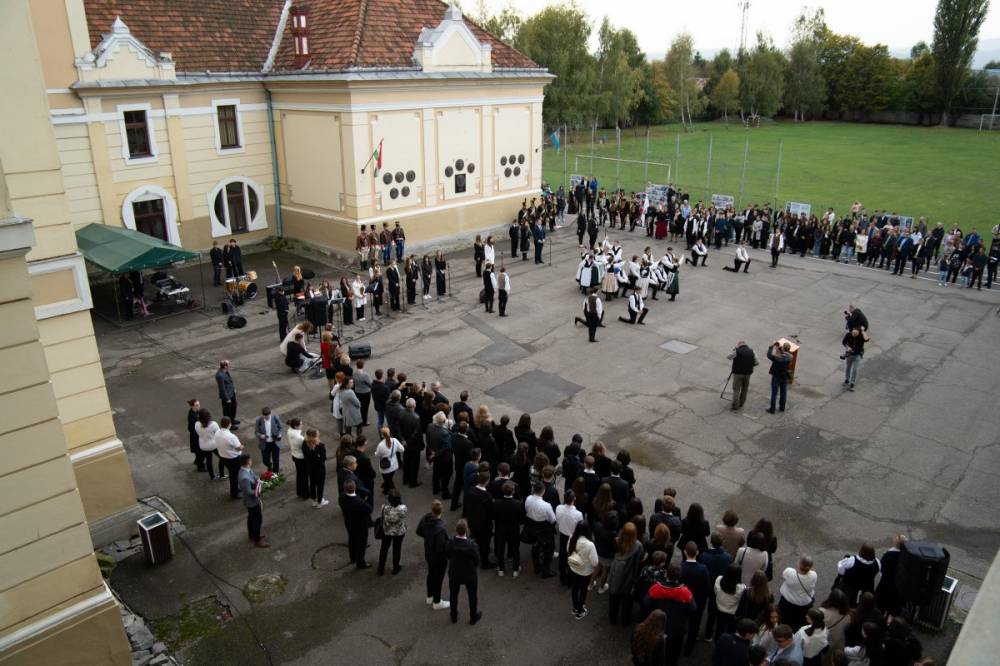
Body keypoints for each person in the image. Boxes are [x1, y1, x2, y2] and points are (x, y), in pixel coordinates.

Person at [644, 564, 697, 666]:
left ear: (666, 574)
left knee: (655, 652)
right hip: (677, 629)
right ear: (679, 576)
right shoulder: (685, 592)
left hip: (657, 626)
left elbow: (645, 602)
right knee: (673, 653)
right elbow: (693, 608)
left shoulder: (656, 588)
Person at [446, 519, 482, 624]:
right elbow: (477, 561)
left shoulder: (450, 543)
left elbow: (448, 555)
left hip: (454, 573)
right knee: (472, 596)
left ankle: (453, 616)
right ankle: (473, 617)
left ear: (456, 530)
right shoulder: (472, 546)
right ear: (466, 530)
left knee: (453, 595)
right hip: (469, 574)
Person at [417, 500, 451, 610]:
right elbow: (443, 547)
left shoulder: (425, 518)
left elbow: (418, 531)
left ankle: (429, 596)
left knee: (431, 574)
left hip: (428, 552)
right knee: (438, 578)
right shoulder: (440, 528)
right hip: (438, 557)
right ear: (441, 511)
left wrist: (428, 537)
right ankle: (437, 602)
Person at [608, 522, 645, 626]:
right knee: (627, 602)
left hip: (616, 574)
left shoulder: (617, 541)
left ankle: (613, 619)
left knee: (614, 600)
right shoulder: (638, 546)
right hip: (629, 576)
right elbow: (639, 560)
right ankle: (625, 621)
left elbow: (612, 554)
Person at [567, 520, 599, 619]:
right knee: (583, 590)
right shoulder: (590, 544)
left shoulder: (572, 537)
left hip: (573, 567)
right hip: (585, 572)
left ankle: (575, 608)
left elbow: (567, 550)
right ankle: (580, 610)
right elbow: (595, 562)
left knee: (575, 588)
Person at [525, 480, 557, 577]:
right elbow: (553, 520)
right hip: (543, 529)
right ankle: (546, 571)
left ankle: (537, 567)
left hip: (531, 526)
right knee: (549, 549)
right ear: (543, 491)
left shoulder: (528, 498)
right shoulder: (546, 505)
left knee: (535, 547)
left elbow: (526, 510)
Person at [463, 470, 495, 568]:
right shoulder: (487, 496)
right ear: (487, 481)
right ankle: (484, 562)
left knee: (475, 539)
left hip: (472, 521)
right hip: (484, 524)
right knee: (485, 543)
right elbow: (491, 512)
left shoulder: (470, 491)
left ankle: (473, 556)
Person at [494, 480, 525, 577]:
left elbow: (494, 516)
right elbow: (521, 518)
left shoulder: (497, 503)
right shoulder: (518, 504)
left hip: (500, 529)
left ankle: (501, 569)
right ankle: (515, 569)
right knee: (515, 549)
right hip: (513, 529)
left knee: (500, 549)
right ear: (513, 491)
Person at [238, 454, 269, 548]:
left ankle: (252, 535)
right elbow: (248, 491)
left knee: (251, 518)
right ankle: (257, 540)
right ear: (248, 462)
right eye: (250, 460)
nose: (251, 462)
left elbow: (255, 477)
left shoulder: (246, 470)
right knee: (257, 520)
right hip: (252, 502)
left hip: (253, 501)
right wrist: (260, 490)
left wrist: (262, 482)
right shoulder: (244, 477)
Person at [340, 479, 372, 569]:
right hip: (360, 525)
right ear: (354, 488)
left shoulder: (342, 496)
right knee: (361, 543)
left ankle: (353, 557)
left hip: (349, 523)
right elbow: (369, 509)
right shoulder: (359, 502)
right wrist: (365, 500)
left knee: (352, 539)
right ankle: (360, 562)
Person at [779, 556, 817, 631]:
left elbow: (783, 576)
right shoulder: (814, 575)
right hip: (804, 604)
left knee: (785, 620)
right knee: (799, 623)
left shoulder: (789, 572)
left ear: (799, 564)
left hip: (787, 603)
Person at [875, 534, 907, 620]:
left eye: (897, 537)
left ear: (897, 542)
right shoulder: (905, 556)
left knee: (880, 604)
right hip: (897, 586)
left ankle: (878, 620)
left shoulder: (889, 555)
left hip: (886, 584)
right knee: (893, 607)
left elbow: (881, 568)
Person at [377, 489, 407, 576]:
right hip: (398, 532)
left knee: (384, 549)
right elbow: (403, 515)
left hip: (386, 531)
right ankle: (396, 567)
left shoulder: (384, 508)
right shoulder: (402, 509)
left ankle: (380, 568)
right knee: (396, 549)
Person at [215, 417, 243, 499]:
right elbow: (239, 447)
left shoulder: (217, 433)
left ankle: (236, 490)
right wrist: (242, 446)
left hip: (223, 457)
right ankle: (234, 493)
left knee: (232, 474)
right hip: (233, 458)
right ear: (229, 424)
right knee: (234, 475)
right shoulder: (231, 436)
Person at [426, 412, 453, 499]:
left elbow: (428, 439)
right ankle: (445, 492)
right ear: (444, 421)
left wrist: (432, 451)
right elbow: (447, 447)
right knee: (446, 474)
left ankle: (436, 489)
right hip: (444, 458)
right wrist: (436, 453)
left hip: (434, 454)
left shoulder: (430, 426)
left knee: (436, 472)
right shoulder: (444, 433)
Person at [727, 341, 758, 412]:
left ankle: (735, 405)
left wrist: (734, 350)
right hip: (747, 373)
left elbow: (729, 357)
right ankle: (741, 403)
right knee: (745, 388)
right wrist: (749, 365)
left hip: (738, 373)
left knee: (736, 389)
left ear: (739, 345)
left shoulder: (737, 351)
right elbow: (757, 362)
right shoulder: (752, 351)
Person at [302, 428, 328, 508]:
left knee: (312, 484)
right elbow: (324, 458)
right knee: (320, 485)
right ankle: (320, 502)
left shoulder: (304, 443)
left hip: (310, 468)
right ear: (315, 436)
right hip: (319, 469)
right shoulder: (320, 445)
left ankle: (314, 500)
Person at [375, 426, 404, 494]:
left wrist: (376, 452)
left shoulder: (380, 445)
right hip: (394, 465)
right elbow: (402, 449)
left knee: (388, 480)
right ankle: (385, 489)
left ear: (382, 435)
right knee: (389, 479)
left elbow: (377, 455)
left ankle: (393, 492)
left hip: (385, 466)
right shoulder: (395, 441)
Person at [766, 341, 793, 414]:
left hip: (776, 375)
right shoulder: (790, 357)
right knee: (783, 392)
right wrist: (781, 350)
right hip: (784, 375)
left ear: (783, 348)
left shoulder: (778, 357)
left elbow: (769, 355)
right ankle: (782, 407)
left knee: (774, 392)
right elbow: (784, 356)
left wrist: (771, 347)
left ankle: (772, 409)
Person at [254, 407, 283, 473]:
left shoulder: (275, 418)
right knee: (265, 461)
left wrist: (279, 434)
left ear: (270, 414)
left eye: (268, 416)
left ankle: (275, 474)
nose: (267, 418)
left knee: (276, 461)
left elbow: (281, 428)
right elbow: (256, 432)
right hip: (265, 444)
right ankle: (269, 466)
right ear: (262, 415)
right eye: (265, 416)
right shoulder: (259, 420)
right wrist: (261, 435)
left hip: (275, 443)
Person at [194, 408, 220, 480]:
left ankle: (212, 476)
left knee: (209, 460)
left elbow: (197, 433)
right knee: (222, 456)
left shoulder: (196, 424)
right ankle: (224, 470)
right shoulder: (214, 424)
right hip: (213, 444)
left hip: (203, 445)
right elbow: (218, 434)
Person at [842, 327, 871, 391]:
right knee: (848, 367)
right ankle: (847, 379)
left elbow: (867, 339)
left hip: (857, 355)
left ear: (859, 333)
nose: (854, 335)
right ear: (852, 331)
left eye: (856, 334)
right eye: (853, 333)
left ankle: (852, 382)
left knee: (855, 369)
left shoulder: (861, 336)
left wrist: (863, 331)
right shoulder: (848, 334)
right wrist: (847, 347)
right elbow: (844, 342)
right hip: (849, 354)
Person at [286, 418, 308, 500]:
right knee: (304, 476)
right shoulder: (299, 438)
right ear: (296, 426)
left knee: (299, 475)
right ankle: (305, 494)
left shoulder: (289, 431)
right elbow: (304, 448)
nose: (302, 425)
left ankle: (299, 492)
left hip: (294, 455)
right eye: (301, 424)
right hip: (301, 458)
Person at [215, 360, 238, 426]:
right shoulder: (220, 376)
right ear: (225, 366)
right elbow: (222, 388)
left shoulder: (225, 371)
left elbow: (230, 380)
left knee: (234, 407)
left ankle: (232, 420)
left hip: (231, 393)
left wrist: (233, 388)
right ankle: (228, 425)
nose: (229, 366)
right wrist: (227, 398)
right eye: (228, 364)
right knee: (227, 411)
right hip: (227, 396)